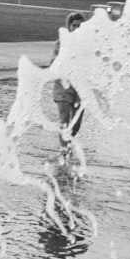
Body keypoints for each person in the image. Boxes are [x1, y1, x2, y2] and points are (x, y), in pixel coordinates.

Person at [52, 12, 85, 160]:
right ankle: (63, 150)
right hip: (63, 85)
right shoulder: (61, 42)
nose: (77, 28)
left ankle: (67, 143)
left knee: (76, 124)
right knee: (64, 119)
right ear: (69, 26)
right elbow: (52, 61)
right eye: (74, 25)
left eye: (80, 25)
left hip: (80, 86)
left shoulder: (87, 44)